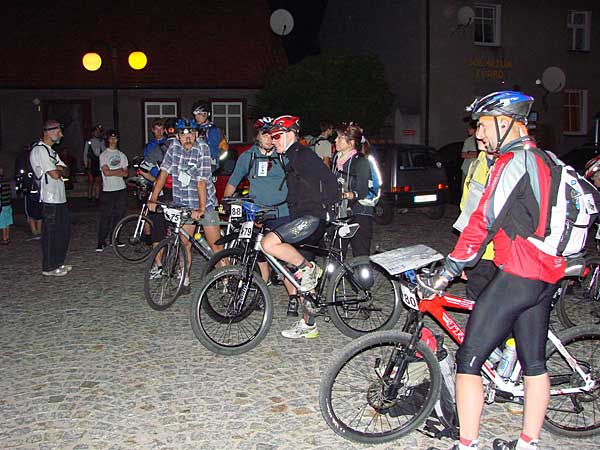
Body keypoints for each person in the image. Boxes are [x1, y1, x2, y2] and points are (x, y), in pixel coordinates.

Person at [425, 91, 564, 450]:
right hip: (546, 273)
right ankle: (528, 443)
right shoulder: (546, 158)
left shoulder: (512, 161)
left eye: (484, 126)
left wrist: (449, 269)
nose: (478, 134)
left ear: (506, 123)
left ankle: (467, 444)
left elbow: (483, 220)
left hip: (518, 272)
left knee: (468, 360)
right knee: (534, 363)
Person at [261, 115, 340, 339]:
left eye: (277, 136)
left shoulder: (303, 155)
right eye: (272, 136)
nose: (273, 140)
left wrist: (326, 210)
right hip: (302, 218)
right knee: (301, 278)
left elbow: (330, 181)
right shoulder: (289, 157)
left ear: (290, 134)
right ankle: (309, 324)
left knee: (269, 243)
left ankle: (309, 268)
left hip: (312, 218)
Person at [223, 117, 299, 316]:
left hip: (281, 212)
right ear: (257, 136)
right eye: (264, 134)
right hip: (256, 213)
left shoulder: (283, 156)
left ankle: (293, 296)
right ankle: (260, 292)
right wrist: (225, 201)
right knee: (258, 255)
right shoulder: (248, 157)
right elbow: (233, 181)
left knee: (283, 256)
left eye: (272, 134)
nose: (269, 138)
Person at [147, 118, 222, 295]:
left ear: (196, 134)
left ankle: (227, 279)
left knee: (215, 247)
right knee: (183, 243)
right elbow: (164, 172)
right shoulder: (173, 147)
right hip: (184, 203)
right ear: (178, 136)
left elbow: (202, 181)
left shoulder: (202, 148)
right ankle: (184, 279)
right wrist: (153, 198)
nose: (188, 138)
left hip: (205, 203)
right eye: (183, 134)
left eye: (191, 134)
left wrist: (201, 209)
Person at [453, 122, 498, 301]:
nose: (478, 134)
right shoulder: (477, 164)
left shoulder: (512, 165)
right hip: (481, 252)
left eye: (485, 128)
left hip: (505, 255)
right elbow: (467, 211)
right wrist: (464, 256)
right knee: (478, 303)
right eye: (478, 127)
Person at [30, 120, 72, 277]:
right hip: (49, 198)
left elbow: (66, 171)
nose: (61, 135)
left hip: (60, 198)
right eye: (58, 131)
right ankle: (48, 267)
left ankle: (58, 263)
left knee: (63, 231)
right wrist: (59, 170)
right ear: (49, 132)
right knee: (51, 233)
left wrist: (59, 169)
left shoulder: (51, 152)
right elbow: (54, 174)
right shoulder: (40, 150)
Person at [332, 122, 373, 257]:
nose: (335, 140)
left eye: (340, 138)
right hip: (341, 212)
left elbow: (362, 191)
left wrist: (343, 195)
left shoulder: (360, 161)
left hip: (360, 213)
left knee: (360, 254)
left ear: (351, 142)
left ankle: (362, 272)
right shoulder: (336, 158)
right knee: (336, 252)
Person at [96, 130, 129, 252]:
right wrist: (118, 171)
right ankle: (101, 241)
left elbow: (125, 173)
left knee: (119, 216)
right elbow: (106, 172)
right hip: (108, 190)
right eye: (111, 138)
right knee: (106, 217)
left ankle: (114, 239)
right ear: (108, 139)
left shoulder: (122, 155)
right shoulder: (104, 155)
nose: (113, 140)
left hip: (121, 189)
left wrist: (114, 171)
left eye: (115, 138)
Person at [191, 101, 227, 173]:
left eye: (200, 114)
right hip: (196, 164)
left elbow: (220, 150)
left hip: (210, 165)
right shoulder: (194, 129)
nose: (197, 117)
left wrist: (214, 160)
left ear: (207, 114)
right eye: (195, 114)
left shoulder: (214, 130)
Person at [82, 124, 105, 203]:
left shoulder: (101, 141)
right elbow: (85, 154)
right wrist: (86, 165)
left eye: (99, 131)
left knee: (98, 182)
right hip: (91, 163)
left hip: (98, 163)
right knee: (91, 182)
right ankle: (89, 197)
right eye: (96, 131)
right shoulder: (88, 142)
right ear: (93, 132)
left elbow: (104, 152)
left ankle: (97, 197)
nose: (97, 133)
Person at [460, 119, 478, 186]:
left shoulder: (482, 140)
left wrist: (471, 153)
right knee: (464, 187)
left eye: (470, 128)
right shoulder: (468, 141)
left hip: (477, 170)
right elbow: (463, 154)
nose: (468, 130)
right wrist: (475, 153)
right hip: (466, 169)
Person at [0, 165, 13, 245]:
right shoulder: (6, 181)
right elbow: (9, 193)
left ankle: (4, 239)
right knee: (7, 222)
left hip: (2, 205)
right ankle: (7, 237)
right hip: (8, 204)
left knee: (3, 223)